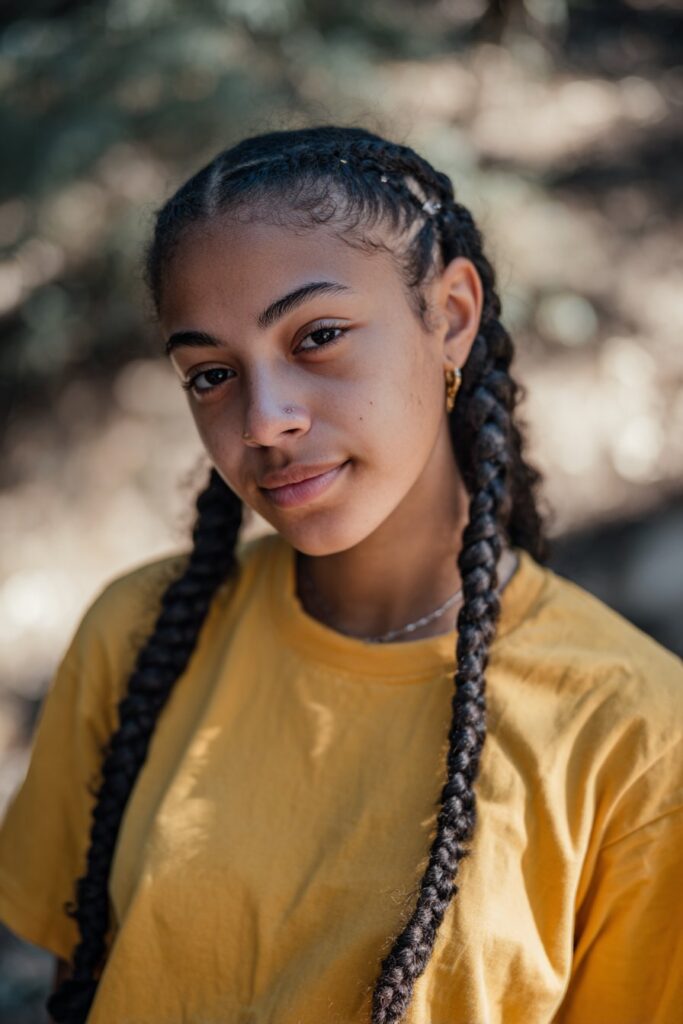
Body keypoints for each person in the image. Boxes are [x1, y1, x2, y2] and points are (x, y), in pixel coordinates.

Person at [0, 124, 681, 1024]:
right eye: (209, 375)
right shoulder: (137, 635)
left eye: (317, 335)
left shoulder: (634, 734)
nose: (264, 419)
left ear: (451, 316)